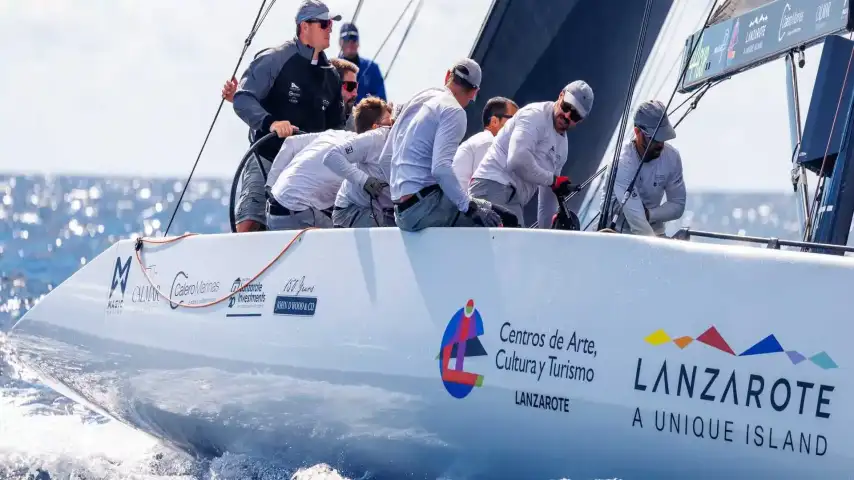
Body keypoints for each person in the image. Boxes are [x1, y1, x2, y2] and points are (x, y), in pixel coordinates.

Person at [230, 0, 346, 233]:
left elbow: (337, 128)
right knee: (251, 224)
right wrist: (271, 123)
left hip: (304, 171)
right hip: (267, 158)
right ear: (305, 27)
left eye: (331, 23)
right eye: (324, 24)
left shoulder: (331, 76)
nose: (330, 28)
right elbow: (243, 98)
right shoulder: (275, 59)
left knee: (312, 230)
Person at [390, 58, 504, 231]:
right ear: (474, 92)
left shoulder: (427, 100)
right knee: (499, 222)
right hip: (424, 208)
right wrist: (470, 207)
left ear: (447, 76)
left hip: (403, 210)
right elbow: (441, 168)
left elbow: (388, 152)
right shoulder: (454, 111)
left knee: (493, 210)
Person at [469, 81, 594, 228]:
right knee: (509, 245)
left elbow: (548, 198)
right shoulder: (535, 115)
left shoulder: (563, 148)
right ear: (560, 95)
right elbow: (517, 161)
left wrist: (547, 235)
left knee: (519, 247)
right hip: (492, 185)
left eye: (575, 115)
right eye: (566, 107)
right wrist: (552, 180)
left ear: (580, 121)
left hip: (514, 202)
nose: (567, 115)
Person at [266, 97, 393, 230]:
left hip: (273, 209)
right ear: (375, 128)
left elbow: (290, 143)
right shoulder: (366, 158)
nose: (391, 130)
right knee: (343, 243)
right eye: (389, 125)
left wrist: (269, 186)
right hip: (297, 212)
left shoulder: (334, 134)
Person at [605, 100, 686, 236]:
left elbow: (678, 205)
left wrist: (650, 214)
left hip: (655, 233)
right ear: (637, 132)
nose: (660, 144)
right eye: (655, 138)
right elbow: (639, 226)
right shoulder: (622, 162)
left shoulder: (672, 157)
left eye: (663, 137)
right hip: (616, 235)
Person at [325, 98, 397, 228]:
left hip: (380, 210)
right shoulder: (373, 138)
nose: (393, 126)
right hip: (352, 210)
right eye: (389, 122)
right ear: (375, 127)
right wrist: (364, 180)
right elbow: (331, 156)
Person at [452, 97, 518, 189]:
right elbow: (485, 189)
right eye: (514, 120)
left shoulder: (485, 141)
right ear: (494, 121)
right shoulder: (488, 143)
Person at [339, 22, 387, 103]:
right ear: (340, 42)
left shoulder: (372, 68)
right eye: (346, 39)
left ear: (358, 42)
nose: (350, 43)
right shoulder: (330, 70)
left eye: (354, 39)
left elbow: (382, 102)